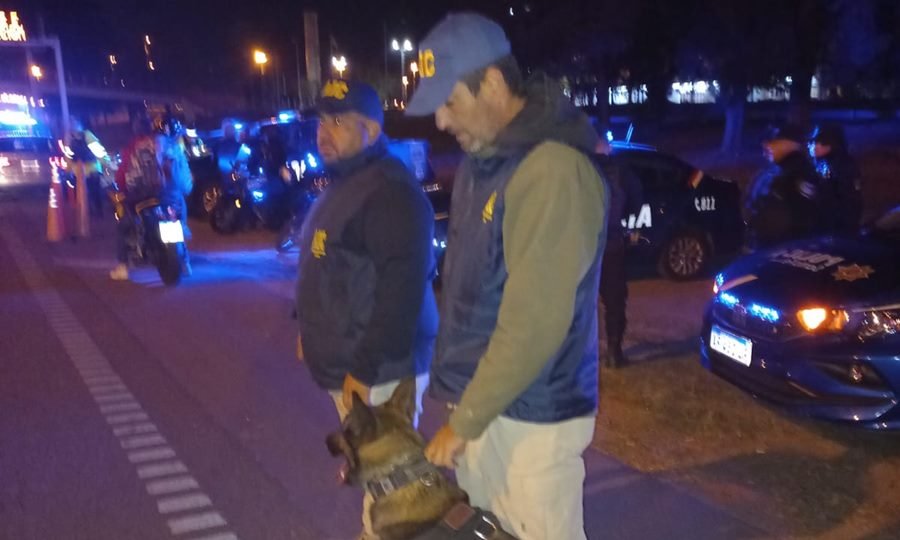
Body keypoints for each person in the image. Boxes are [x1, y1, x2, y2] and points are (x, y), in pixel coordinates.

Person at [406, 13, 609, 540]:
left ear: (492, 85)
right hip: (490, 407)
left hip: (533, 416)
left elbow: (534, 323)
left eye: (450, 102)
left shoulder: (551, 171)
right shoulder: (484, 165)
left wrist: (465, 419)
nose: (440, 122)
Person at [294, 80, 437, 537]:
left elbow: (402, 290)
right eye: (321, 121)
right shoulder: (346, 185)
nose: (324, 132)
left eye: (338, 121)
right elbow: (328, 269)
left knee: (389, 484)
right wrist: (307, 329)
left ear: (371, 130)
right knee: (377, 481)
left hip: (379, 370)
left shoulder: (389, 191)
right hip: (354, 367)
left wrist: (365, 367)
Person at [595, 138, 644, 369]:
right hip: (611, 245)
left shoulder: (576, 166)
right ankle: (614, 353)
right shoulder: (620, 171)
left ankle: (572, 357)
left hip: (581, 249)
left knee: (576, 305)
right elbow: (636, 199)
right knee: (614, 302)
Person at [745, 124, 820, 250]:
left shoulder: (801, 173)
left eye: (773, 142)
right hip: (763, 245)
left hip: (787, 249)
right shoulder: (770, 171)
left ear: (791, 144)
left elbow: (804, 216)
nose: (766, 146)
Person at [812, 124, 862, 235]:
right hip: (824, 226)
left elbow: (851, 201)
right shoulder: (822, 164)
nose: (816, 146)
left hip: (839, 229)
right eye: (815, 142)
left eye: (822, 143)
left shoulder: (844, 166)